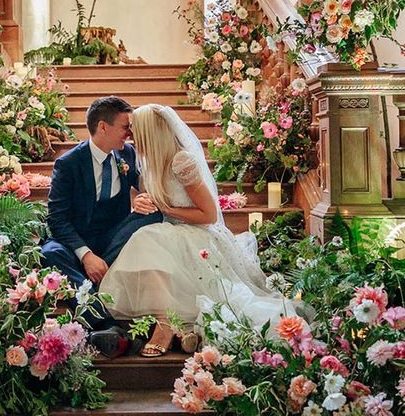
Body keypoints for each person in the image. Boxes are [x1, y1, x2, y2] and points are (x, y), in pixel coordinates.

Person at [99, 104, 300, 357]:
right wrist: (138, 201)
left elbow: (209, 215)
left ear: (151, 132)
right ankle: (175, 326)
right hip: (168, 233)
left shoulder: (181, 160)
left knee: (145, 239)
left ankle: (165, 326)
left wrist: (167, 209)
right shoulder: (147, 162)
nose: (130, 137)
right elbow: (146, 198)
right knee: (147, 241)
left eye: (134, 131)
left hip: (196, 233)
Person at [41, 95, 162, 352]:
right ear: (103, 127)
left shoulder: (127, 154)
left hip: (112, 239)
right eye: (125, 127)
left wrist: (143, 199)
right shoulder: (69, 163)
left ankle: (100, 306)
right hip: (78, 242)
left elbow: (147, 188)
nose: (130, 134)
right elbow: (56, 218)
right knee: (49, 253)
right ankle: (106, 323)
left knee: (153, 215)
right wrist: (86, 256)